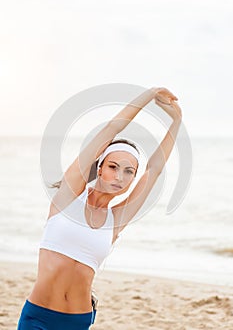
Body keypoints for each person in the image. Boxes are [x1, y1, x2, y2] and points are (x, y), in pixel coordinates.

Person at [17, 87, 182, 330]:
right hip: (38, 317)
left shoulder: (115, 220)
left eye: (129, 172)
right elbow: (111, 129)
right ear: (100, 166)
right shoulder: (69, 198)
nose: (120, 177)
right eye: (114, 167)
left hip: (78, 321)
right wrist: (148, 95)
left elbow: (154, 169)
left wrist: (176, 121)